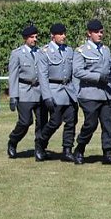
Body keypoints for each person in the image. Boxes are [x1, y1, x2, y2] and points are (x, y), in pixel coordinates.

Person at [72, 19, 111, 165]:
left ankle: (107, 152)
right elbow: (78, 72)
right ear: (89, 33)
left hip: (106, 94)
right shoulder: (81, 51)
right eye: (97, 32)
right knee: (90, 124)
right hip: (89, 93)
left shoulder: (105, 49)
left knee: (108, 124)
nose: (100, 35)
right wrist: (97, 77)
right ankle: (80, 148)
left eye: (101, 32)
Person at [36, 23, 77, 162]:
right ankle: (40, 143)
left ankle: (67, 149)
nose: (63, 36)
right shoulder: (44, 52)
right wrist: (46, 96)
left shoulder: (69, 51)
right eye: (60, 34)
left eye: (64, 33)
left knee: (71, 121)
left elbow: (74, 74)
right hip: (54, 91)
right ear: (53, 36)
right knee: (54, 122)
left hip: (68, 91)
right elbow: (42, 76)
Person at [7, 24, 46, 159]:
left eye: (36, 37)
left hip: (39, 91)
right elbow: (13, 76)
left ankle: (39, 148)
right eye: (31, 37)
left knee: (42, 122)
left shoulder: (41, 52)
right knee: (25, 121)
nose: (35, 39)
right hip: (24, 91)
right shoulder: (17, 54)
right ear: (25, 38)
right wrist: (13, 96)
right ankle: (13, 141)